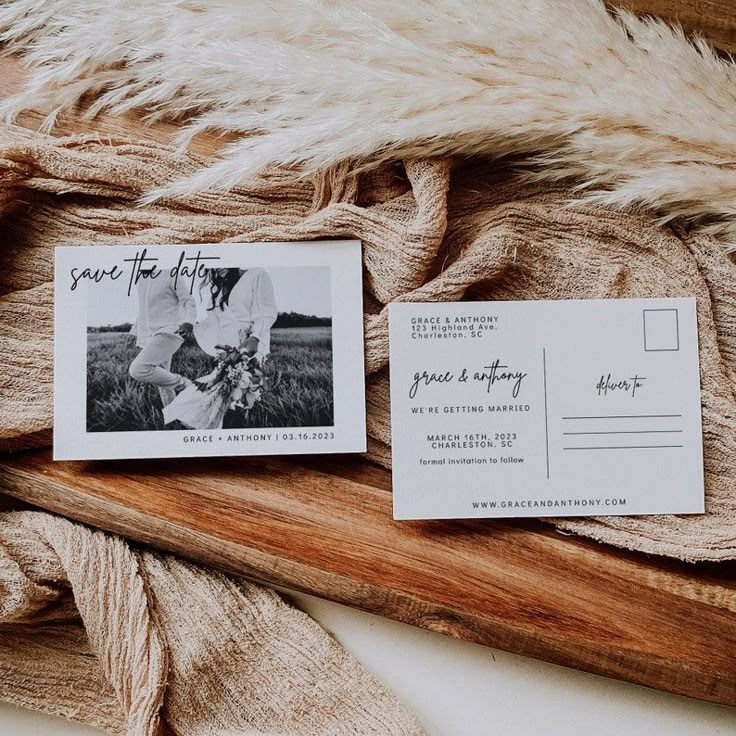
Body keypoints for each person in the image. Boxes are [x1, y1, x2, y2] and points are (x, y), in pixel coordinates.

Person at [163, 268, 278, 429]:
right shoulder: (218, 287)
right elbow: (214, 321)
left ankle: (237, 438)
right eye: (213, 265)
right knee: (223, 397)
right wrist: (191, 328)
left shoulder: (256, 274)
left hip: (249, 344)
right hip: (226, 351)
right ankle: (222, 437)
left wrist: (255, 337)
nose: (218, 267)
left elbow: (267, 312)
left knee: (241, 396)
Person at [128, 272, 196, 407]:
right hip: (151, 335)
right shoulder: (141, 279)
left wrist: (189, 321)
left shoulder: (170, 274)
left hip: (170, 330)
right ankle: (173, 417)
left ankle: (188, 385)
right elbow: (144, 310)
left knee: (138, 369)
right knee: (164, 383)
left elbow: (188, 300)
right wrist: (134, 332)